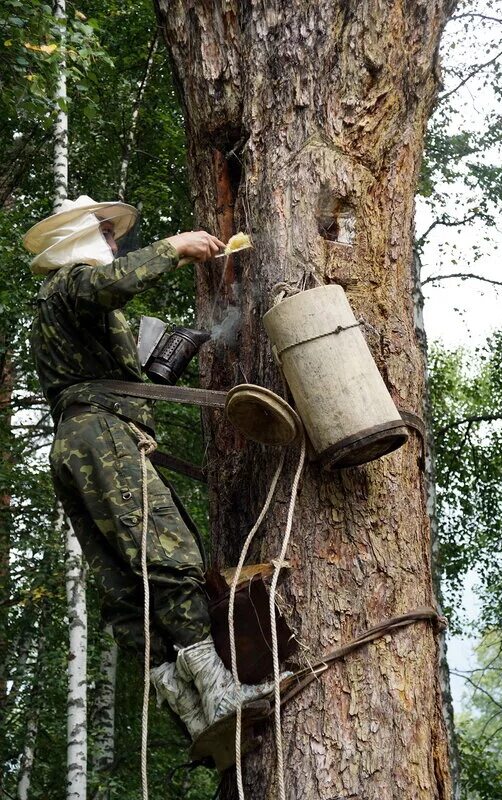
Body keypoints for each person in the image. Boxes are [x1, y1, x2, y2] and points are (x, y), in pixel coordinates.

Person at [24, 195, 277, 740]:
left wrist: (148, 369)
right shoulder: (70, 285)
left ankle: (190, 709)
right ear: (79, 239)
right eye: (105, 234)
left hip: (78, 443)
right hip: (100, 437)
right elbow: (109, 283)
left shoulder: (59, 306)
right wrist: (175, 246)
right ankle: (219, 692)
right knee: (168, 554)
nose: (114, 243)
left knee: (126, 590)